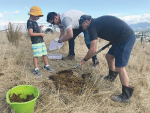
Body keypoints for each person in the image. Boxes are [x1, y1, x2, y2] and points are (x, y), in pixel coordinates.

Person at [79, 15, 136, 103]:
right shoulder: (95, 23)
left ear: (86, 22)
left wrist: (84, 59)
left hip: (125, 38)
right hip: (118, 39)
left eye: (82, 26)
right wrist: (112, 38)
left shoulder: (92, 27)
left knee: (120, 67)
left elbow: (92, 50)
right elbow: (110, 28)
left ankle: (126, 96)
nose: (83, 29)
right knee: (109, 57)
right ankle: (111, 77)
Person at [27, 6, 53, 76]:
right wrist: (41, 33)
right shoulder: (29, 22)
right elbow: (31, 33)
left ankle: (46, 66)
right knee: (36, 55)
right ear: (33, 14)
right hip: (36, 42)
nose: (39, 17)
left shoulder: (34, 22)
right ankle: (36, 69)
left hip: (41, 41)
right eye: (38, 15)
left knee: (44, 53)